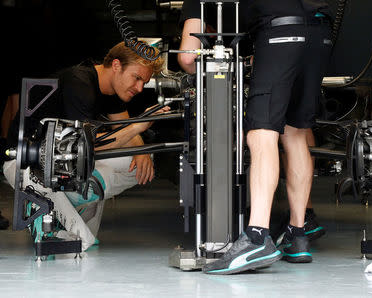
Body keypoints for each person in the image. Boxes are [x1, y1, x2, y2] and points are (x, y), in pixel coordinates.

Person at [197, 0, 333, 274]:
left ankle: (257, 236)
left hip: (281, 31)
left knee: (261, 134)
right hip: (320, 33)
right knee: (296, 133)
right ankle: (298, 235)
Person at [3, 41, 166, 250]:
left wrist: (141, 149)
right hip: (26, 166)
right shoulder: (79, 83)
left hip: (63, 164)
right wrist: (137, 127)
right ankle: (57, 214)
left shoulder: (111, 89)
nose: (140, 88)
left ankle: (59, 205)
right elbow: (85, 146)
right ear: (116, 65)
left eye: (144, 81)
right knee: (82, 242)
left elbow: (126, 131)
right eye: (137, 78)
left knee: (139, 161)